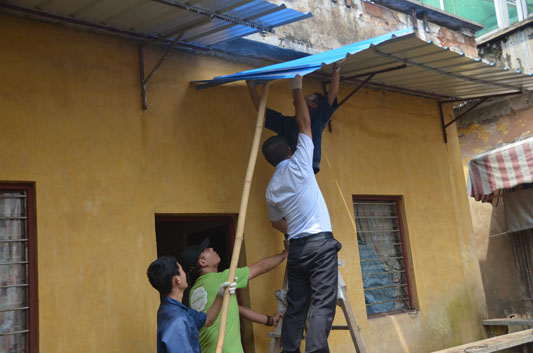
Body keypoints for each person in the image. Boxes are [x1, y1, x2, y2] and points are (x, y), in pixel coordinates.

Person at [262, 76, 342, 353]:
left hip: (296, 248)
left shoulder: (271, 189)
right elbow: (305, 124)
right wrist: (296, 87)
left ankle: (289, 351)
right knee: (322, 303)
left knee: (297, 306)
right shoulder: (300, 164)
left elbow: (275, 222)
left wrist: (291, 229)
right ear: (289, 150)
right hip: (320, 244)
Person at [181, 238, 288, 353]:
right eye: (207, 249)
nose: (212, 249)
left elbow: (236, 308)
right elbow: (262, 267)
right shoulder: (223, 278)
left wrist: (269, 320)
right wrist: (285, 254)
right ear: (203, 262)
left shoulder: (194, 291)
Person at [247, 63, 340, 174]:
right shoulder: (288, 123)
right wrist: (250, 85)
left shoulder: (318, 117)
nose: (302, 97)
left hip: (307, 166)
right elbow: (263, 111)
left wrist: (336, 68)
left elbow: (332, 93)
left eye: (308, 97)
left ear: (314, 105)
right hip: (289, 168)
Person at [146, 255, 237, 353]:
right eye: (182, 270)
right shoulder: (177, 321)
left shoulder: (173, 309)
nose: (185, 274)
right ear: (177, 279)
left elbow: (208, 319)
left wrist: (220, 295)